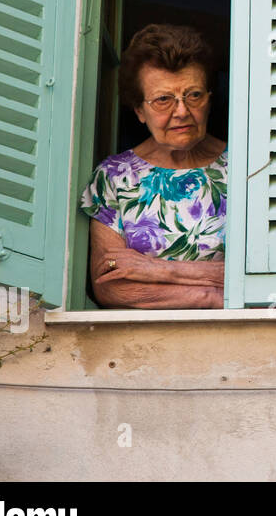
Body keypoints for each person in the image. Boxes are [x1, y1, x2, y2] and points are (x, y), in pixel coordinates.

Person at [79, 24, 227, 309]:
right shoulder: (114, 178)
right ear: (139, 111)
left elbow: (263, 276)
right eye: (163, 100)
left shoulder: (245, 169)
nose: (182, 111)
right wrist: (208, 297)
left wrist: (158, 270)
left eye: (193, 95)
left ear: (209, 100)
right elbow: (111, 287)